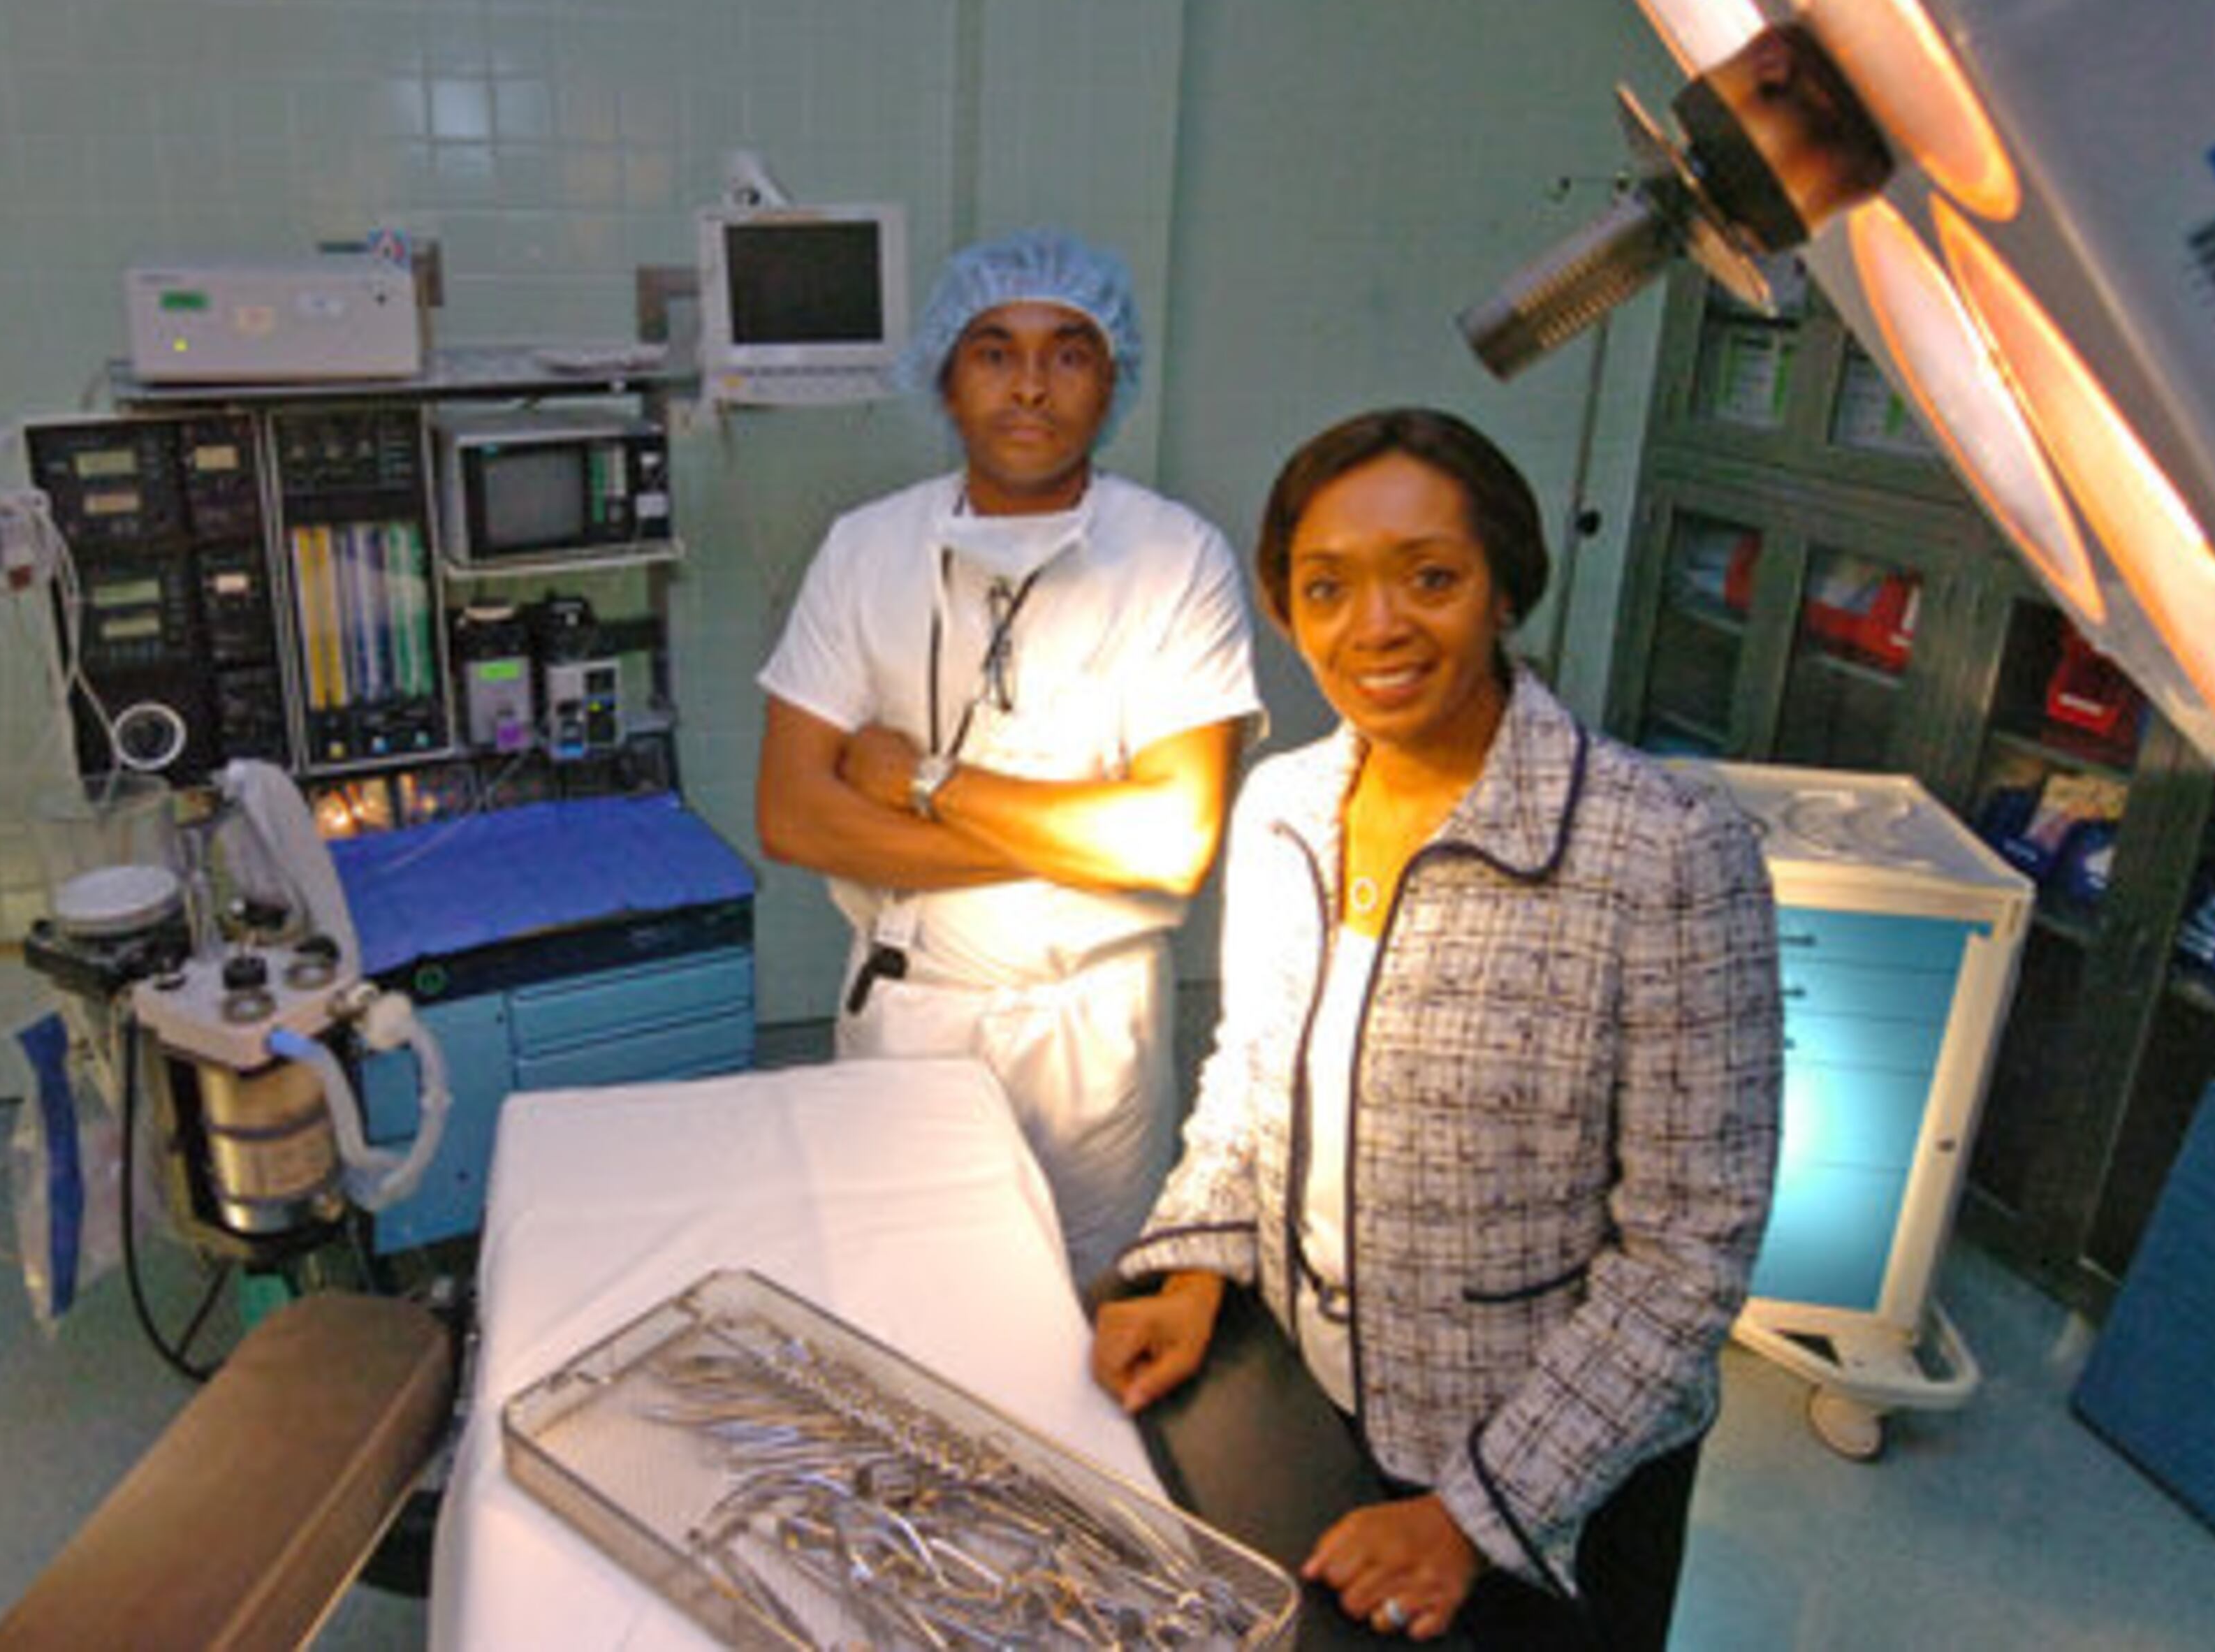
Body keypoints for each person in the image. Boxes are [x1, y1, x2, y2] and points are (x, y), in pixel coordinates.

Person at [1091, 407, 1781, 1647]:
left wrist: (1472, 1514)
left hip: (1552, 1473)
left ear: (1505, 587)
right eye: (1327, 587)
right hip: (1310, 1400)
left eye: (1430, 577)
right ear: (1288, 610)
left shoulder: (1662, 849)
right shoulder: (1286, 806)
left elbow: (1690, 1252)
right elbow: (1253, 1075)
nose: (1378, 625)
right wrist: (1195, 1270)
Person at [755, 228, 1262, 1282]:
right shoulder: (864, 549)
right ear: (947, 378)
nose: (1030, 386)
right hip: (907, 1008)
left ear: (1112, 381)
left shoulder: (1176, 557)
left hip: (1089, 1032)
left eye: (1068, 354)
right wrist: (1081, 833)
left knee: (1083, 1306)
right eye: (995, 352)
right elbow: (792, 817)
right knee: (898, 1291)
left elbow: (1171, 843)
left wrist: (924, 784)